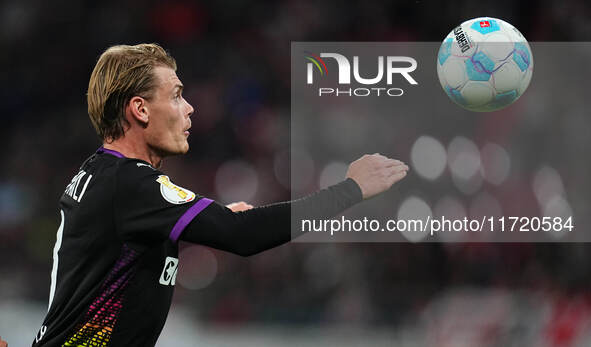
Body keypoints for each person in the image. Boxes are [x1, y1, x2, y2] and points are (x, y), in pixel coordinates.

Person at [32, 44, 409, 346]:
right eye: (177, 96)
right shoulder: (130, 184)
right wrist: (351, 190)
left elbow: (122, 248)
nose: (189, 108)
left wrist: (217, 219)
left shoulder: (103, 173)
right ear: (140, 109)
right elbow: (243, 235)